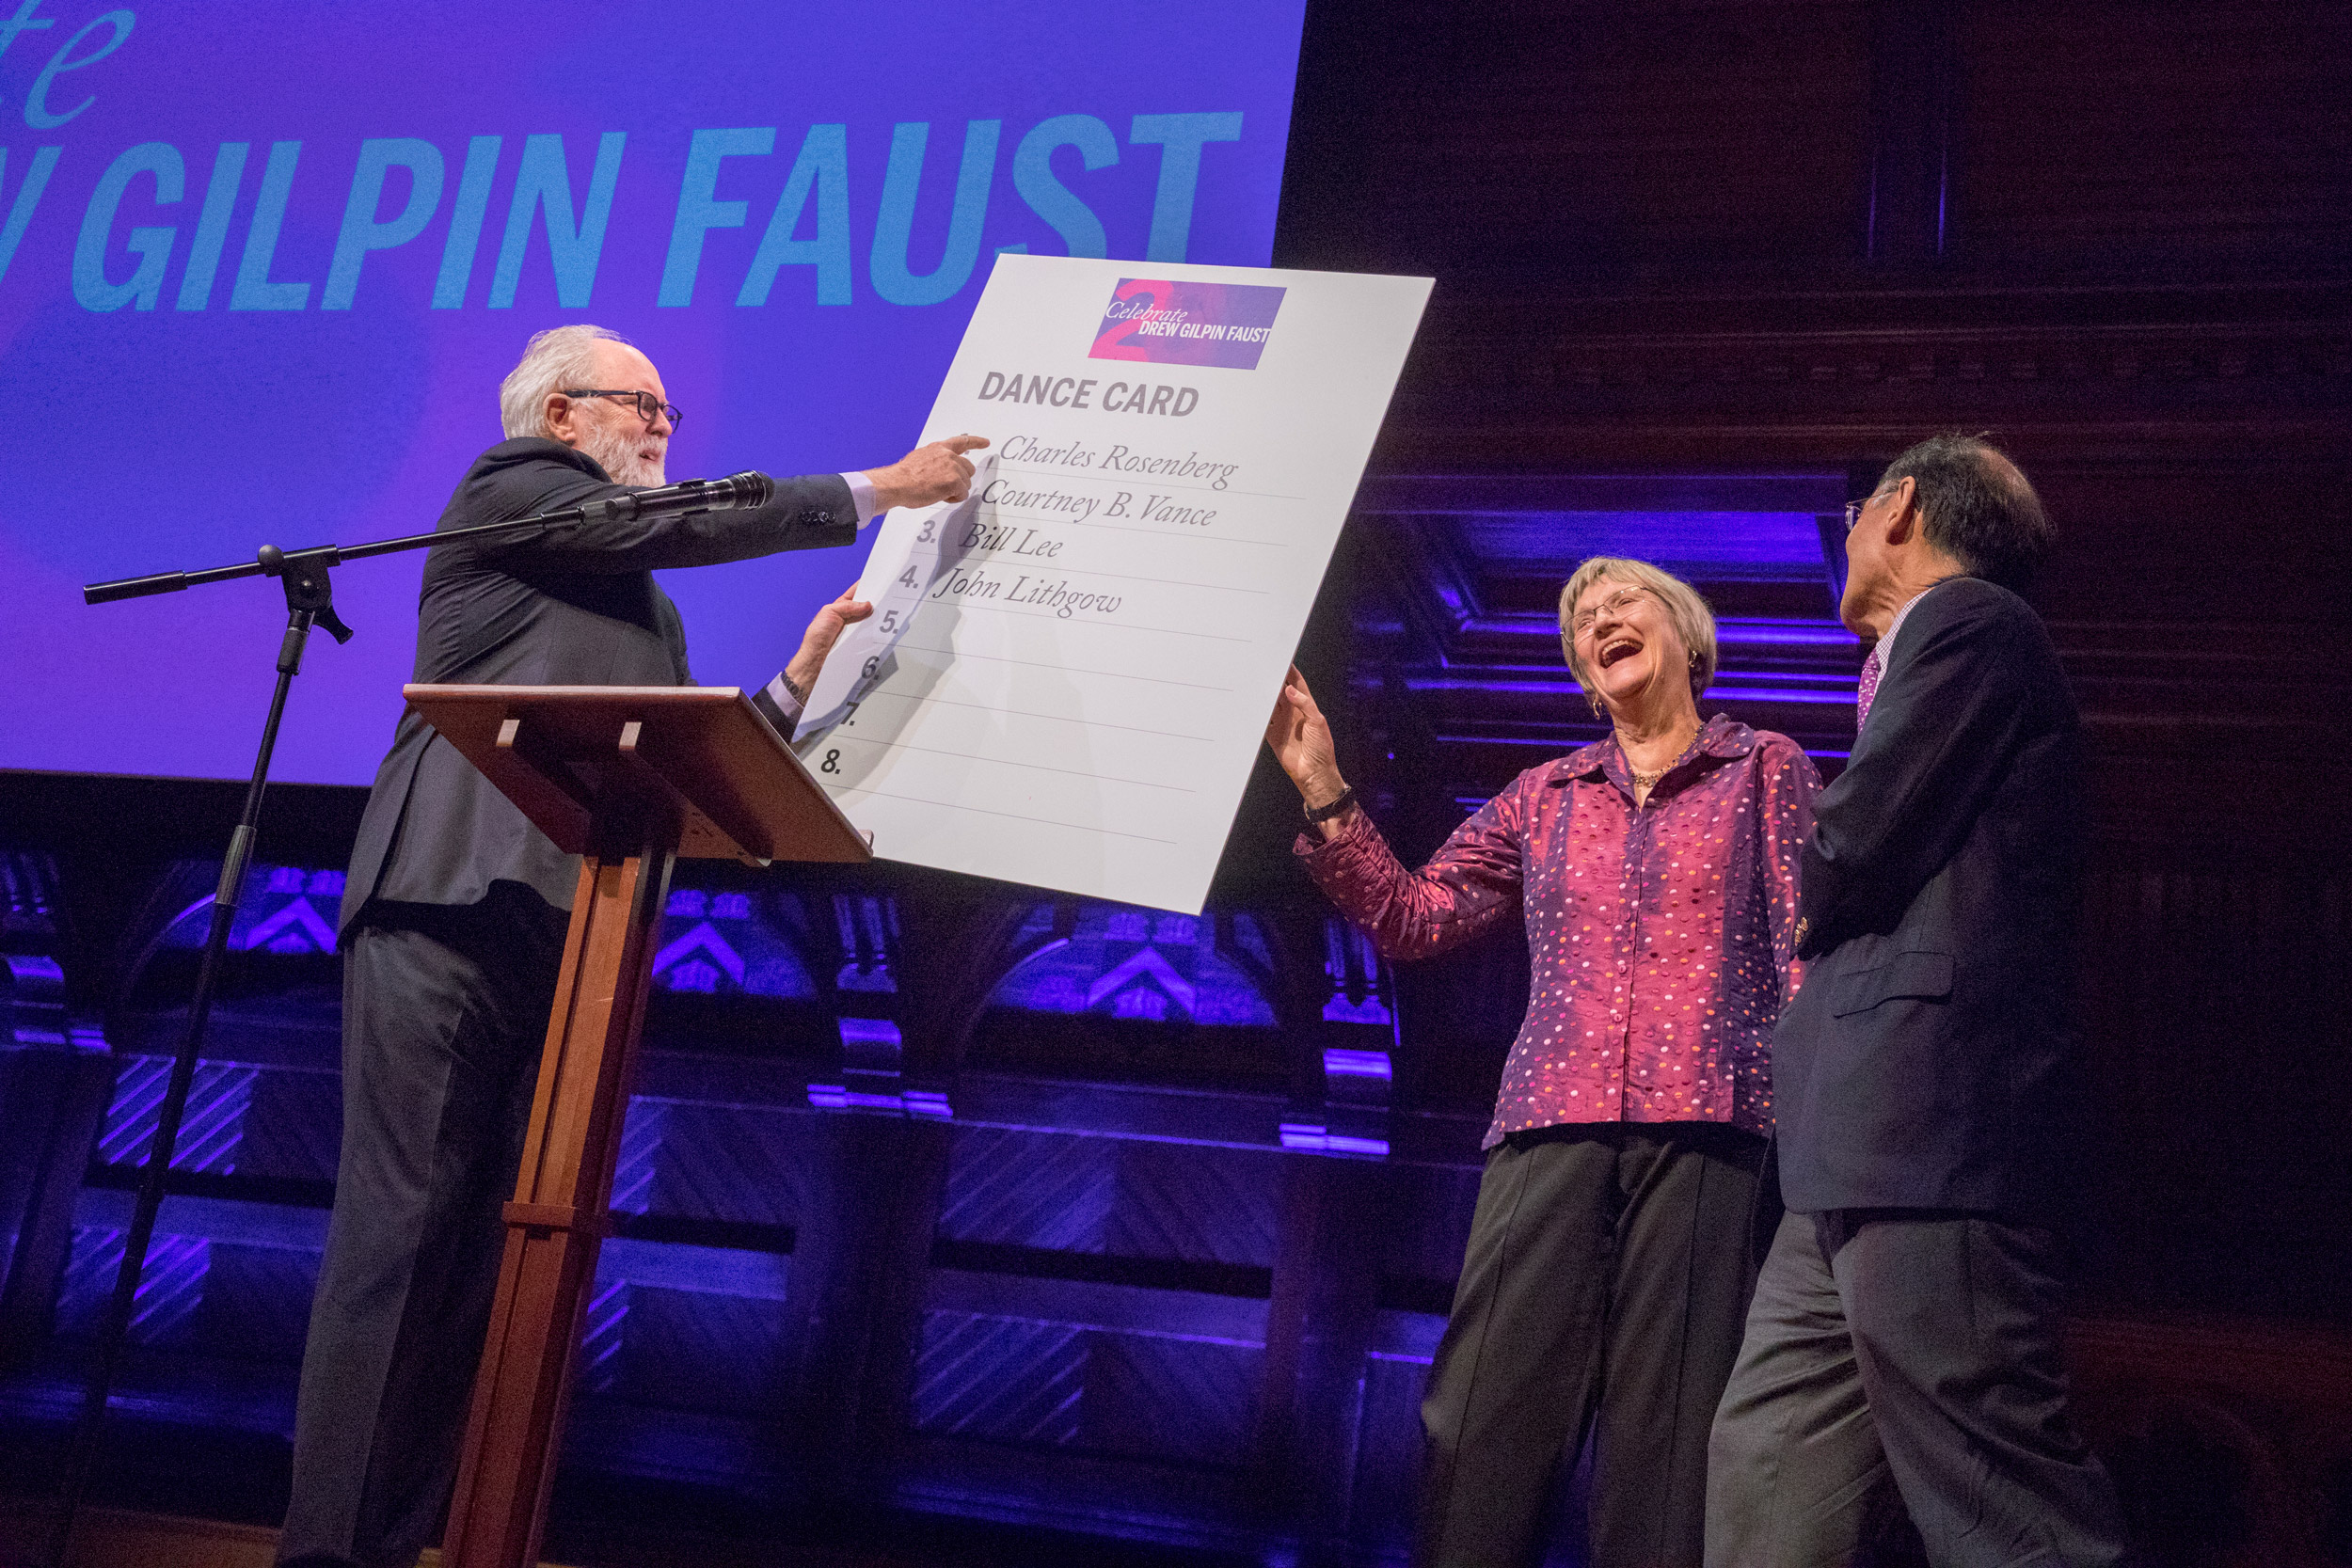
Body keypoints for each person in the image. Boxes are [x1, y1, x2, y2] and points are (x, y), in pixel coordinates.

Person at [278, 325, 984, 1568]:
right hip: (449, 898)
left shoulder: (636, 601)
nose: (665, 426)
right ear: (558, 417)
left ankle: (409, 1539)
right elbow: (675, 524)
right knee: (404, 1232)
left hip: (574, 925)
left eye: (669, 410)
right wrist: (881, 488)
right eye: (638, 404)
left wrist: (797, 684)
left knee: (491, 1250)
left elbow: (678, 768)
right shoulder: (512, 492)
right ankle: (329, 1552)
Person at [1264, 559, 1820, 1568]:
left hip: (1711, 1130)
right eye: (1581, 620)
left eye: (1622, 603)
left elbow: (1804, 951)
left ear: (1684, 633)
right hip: (1548, 1125)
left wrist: (1818, 1140)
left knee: (1666, 1440)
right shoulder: (1545, 794)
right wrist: (1321, 785)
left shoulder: (1766, 767)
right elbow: (1413, 915)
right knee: (1484, 1419)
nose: (1599, 619)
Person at [1705, 436, 2133, 1567]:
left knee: (2005, 1509)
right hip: (1847, 1151)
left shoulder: (1969, 620)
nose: (1843, 537)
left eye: (1852, 512)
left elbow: (1851, 837)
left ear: (1896, 508)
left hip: (1931, 1139)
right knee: (1768, 1473)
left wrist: (1782, 886)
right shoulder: (1941, 643)